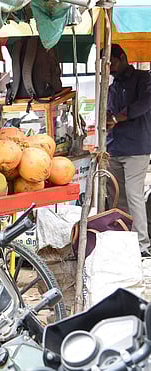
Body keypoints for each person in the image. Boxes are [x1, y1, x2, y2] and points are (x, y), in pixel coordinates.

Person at [105, 44, 151, 256]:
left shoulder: (143, 79)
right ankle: (124, 241)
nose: (110, 67)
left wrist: (117, 117)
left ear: (122, 58)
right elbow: (108, 112)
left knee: (134, 196)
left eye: (112, 62)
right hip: (114, 148)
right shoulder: (112, 85)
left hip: (136, 148)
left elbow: (144, 105)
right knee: (116, 198)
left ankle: (142, 245)